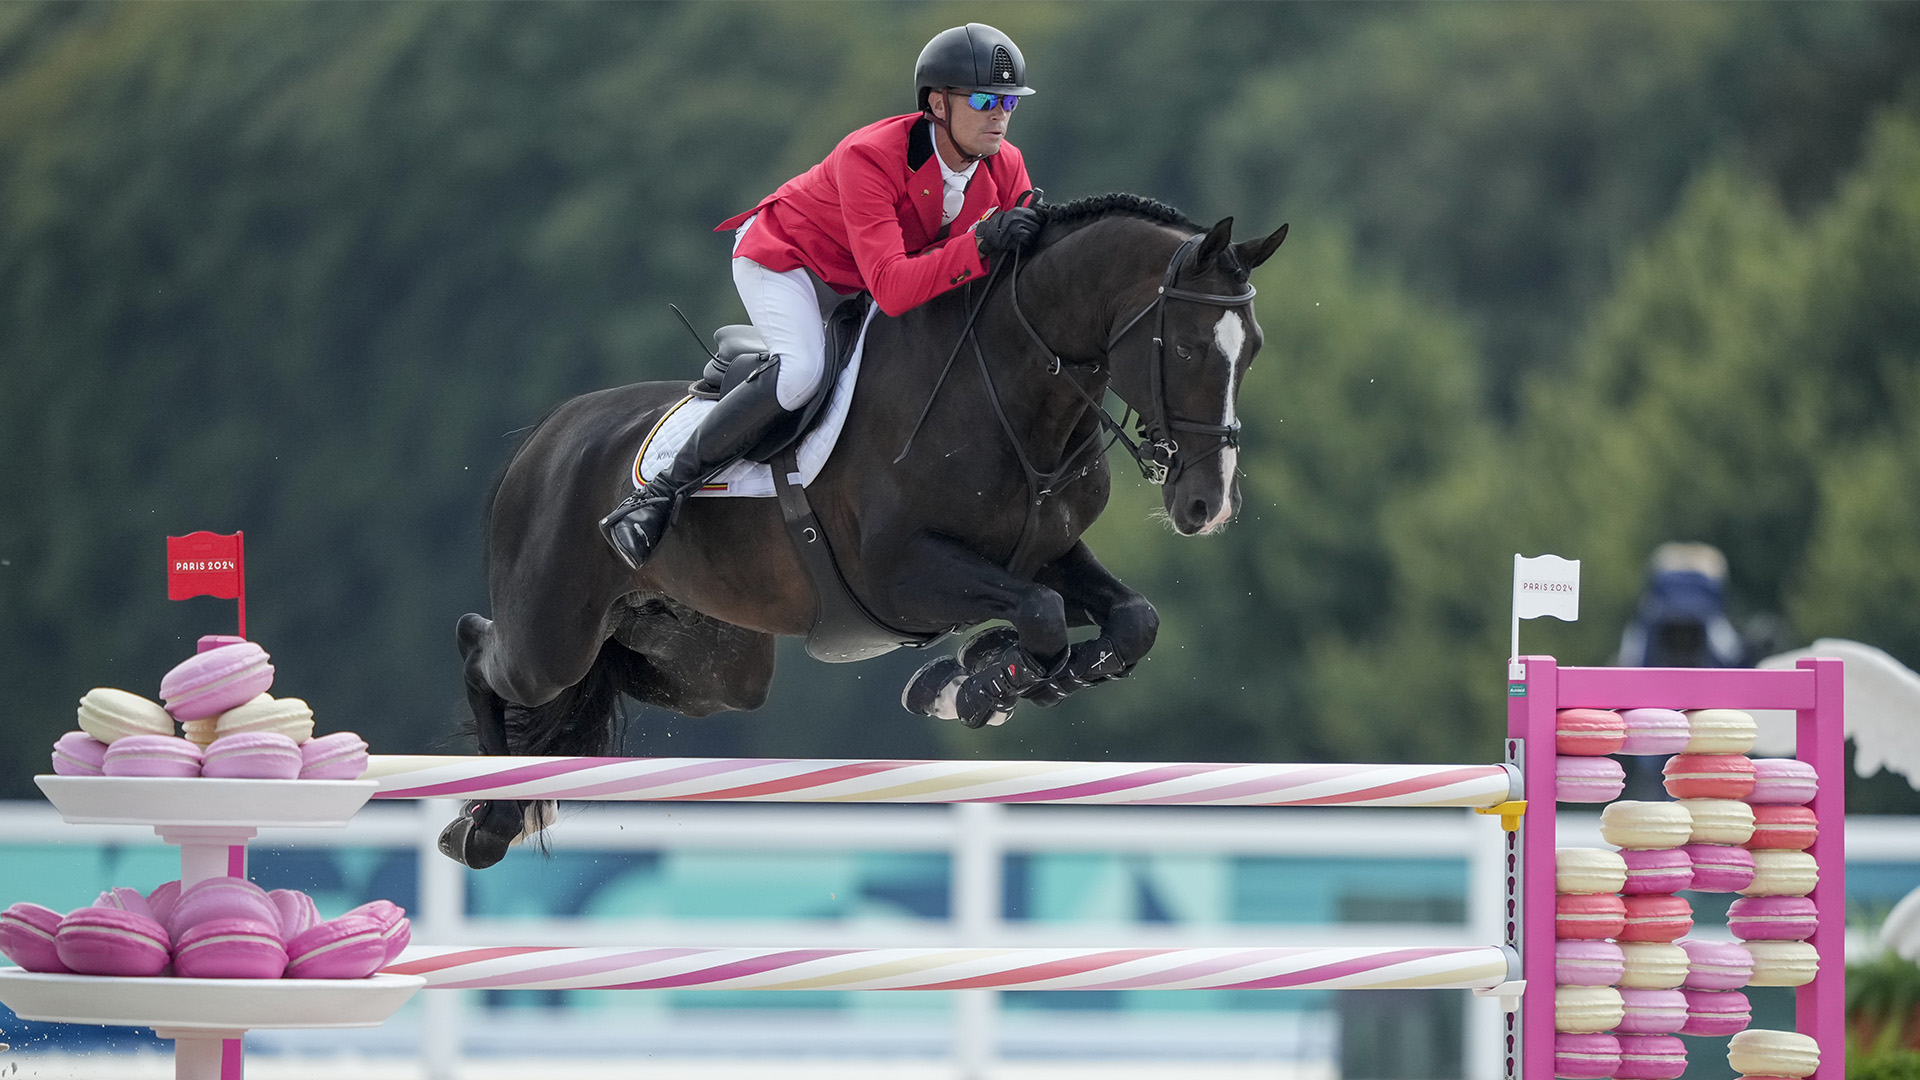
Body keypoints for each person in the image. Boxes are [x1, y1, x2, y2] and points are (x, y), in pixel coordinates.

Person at [600, 22, 1045, 569]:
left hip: (862, 281)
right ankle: (660, 494)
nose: (999, 113)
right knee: (804, 370)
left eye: (1007, 101)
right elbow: (895, 286)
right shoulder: (871, 156)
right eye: (983, 98)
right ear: (937, 103)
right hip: (788, 261)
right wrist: (980, 243)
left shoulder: (1006, 165)